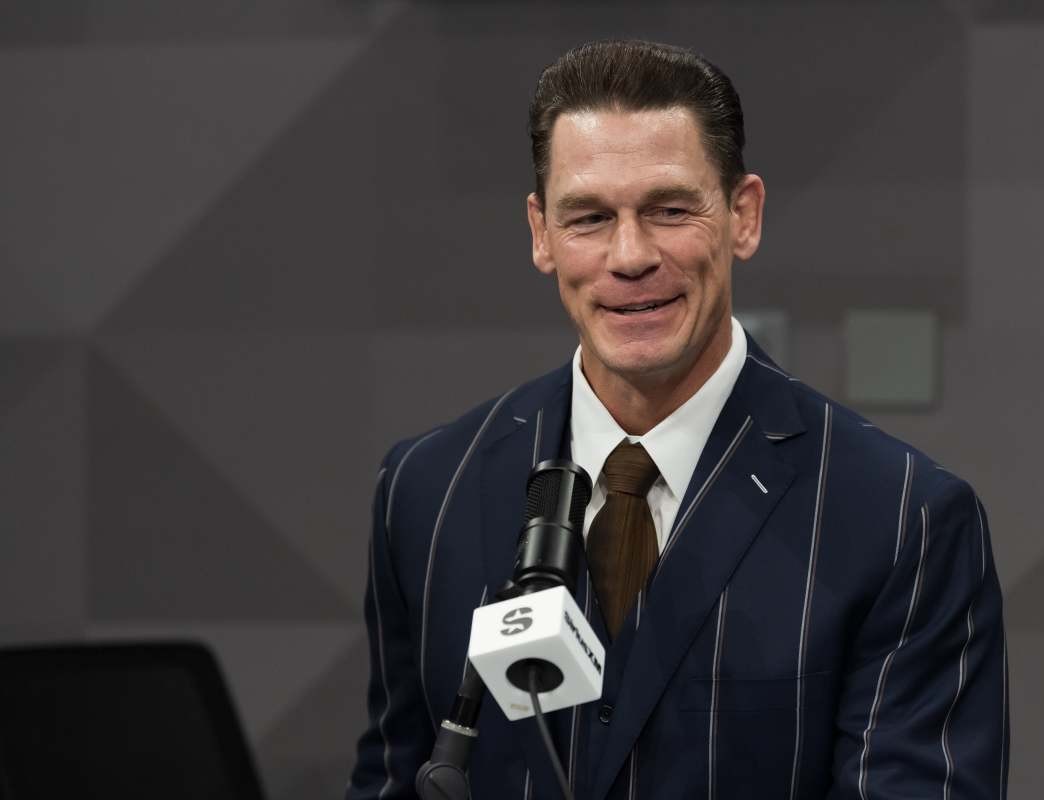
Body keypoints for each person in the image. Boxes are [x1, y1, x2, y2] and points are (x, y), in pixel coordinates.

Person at [346, 39, 1008, 800]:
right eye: (589, 216)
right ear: (540, 234)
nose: (629, 256)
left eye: (669, 210)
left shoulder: (902, 519)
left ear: (743, 215)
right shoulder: (425, 493)